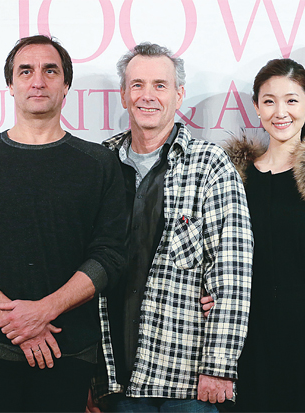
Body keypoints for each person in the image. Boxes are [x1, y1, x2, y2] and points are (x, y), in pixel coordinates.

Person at [0, 35, 127, 413]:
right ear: (10, 84)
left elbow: (110, 255)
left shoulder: (98, 164)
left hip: (67, 353)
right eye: (26, 71)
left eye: (50, 71)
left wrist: (44, 311)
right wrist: (18, 320)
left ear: (66, 85)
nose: (38, 80)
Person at [90, 42, 253, 412]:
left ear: (179, 95)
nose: (147, 95)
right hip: (115, 381)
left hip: (187, 382)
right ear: (123, 94)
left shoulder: (209, 164)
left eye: (160, 85)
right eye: (137, 85)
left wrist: (219, 367)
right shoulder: (99, 164)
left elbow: (232, 272)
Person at [215, 58, 305, 412]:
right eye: (269, 101)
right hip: (251, 340)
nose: (280, 112)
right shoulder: (236, 176)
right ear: (256, 107)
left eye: (292, 100)